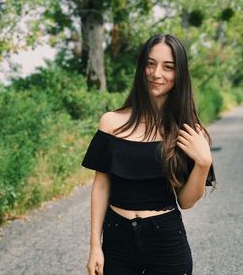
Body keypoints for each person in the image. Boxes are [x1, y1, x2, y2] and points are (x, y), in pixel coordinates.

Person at [81, 33, 216, 275]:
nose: (156, 74)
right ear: (142, 66)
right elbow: (101, 186)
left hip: (166, 242)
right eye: (151, 64)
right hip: (116, 241)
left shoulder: (188, 132)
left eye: (168, 67)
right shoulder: (111, 123)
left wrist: (204, 163)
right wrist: (94, 246)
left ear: (180, 74)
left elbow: (185, 202)